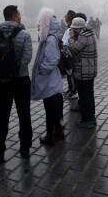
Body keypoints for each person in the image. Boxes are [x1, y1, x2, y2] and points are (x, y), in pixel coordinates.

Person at [0, 5, 33, 163]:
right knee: (24, 114)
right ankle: (25, 148)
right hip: (21, 81)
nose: (20, 16)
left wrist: (0, 72)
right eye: (18, 14)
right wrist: (17, 71)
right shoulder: (24, 34)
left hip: (2, 82)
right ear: (14, 16)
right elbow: (27, 57)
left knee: (2, 115)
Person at [32, 9, 64, 146]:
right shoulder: (53, 36)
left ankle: (50, 135)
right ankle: (58, 132)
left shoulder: (50, 39)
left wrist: (41, 70)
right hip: (53, 82)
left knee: (50, 110)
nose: (39, 25)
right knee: (55, 109)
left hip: (50, 82)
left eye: (41, 22)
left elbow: (52, 59)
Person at [68, 16, 98, 129]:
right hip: (88, 71)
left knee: (85, 96)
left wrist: (70, 38)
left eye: (73, 29)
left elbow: (73, 49)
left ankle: (88, 119)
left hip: (84, 72)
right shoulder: (89, 33)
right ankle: (90, 118)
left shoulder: (83, 36)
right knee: (88, 95)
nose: (72, 30)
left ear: (78, 28)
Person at [62, 10, 77, 100]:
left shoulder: (72, 28)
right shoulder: (69, 28)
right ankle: (70, 89)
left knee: (71, 74)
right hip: (67, 52)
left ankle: (73, 90)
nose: (65, 19)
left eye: (66, 17)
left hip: (71, 54)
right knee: (69, 74)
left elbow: (69, 40)